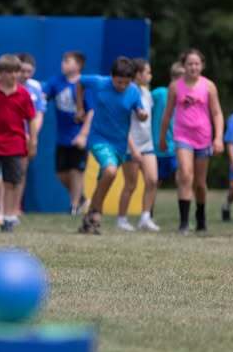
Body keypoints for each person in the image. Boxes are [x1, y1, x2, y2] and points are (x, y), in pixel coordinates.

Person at [76, 57, 145, 235]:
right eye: (119, 82)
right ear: (111, 76)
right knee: (110, 171)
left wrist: (142, 114)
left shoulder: (134, 91)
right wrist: (79, 108)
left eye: (126, 82)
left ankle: (91, 215)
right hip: (99, 138)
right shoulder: (100, 83)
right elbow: (80, 82)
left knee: (105, 178)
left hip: (120, 143)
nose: (122, 86)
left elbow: (139, 109)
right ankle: (97, 213)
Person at [159, 49, 224, 235]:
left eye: (197, 64)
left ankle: (201, 218)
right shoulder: (175, 87)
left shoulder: (209, 86)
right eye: (189, 64)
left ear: (202, 65)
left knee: (200, 183)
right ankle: (184, 223)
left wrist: (218, 137)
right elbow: (167, 114)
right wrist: (162, 138)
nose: (193, 67)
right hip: (182, 137)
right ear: (183, 66)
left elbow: (217, 113)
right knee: (186, 175)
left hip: (203, 138)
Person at [0, 54, 38, 232]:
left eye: (15, 72)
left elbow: (32, 119)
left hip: (15, 143)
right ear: (0, 73)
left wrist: (33, 141)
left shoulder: (24, 94)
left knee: (12, 182)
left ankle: (9, 218)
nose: (12, 76)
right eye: (8, 72)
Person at [43, 51, 93, 215]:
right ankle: (82, 198)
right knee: (61, 173)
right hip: (62, 136)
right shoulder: (56, 82)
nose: (63, 63)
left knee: (75, 170)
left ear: (78, 65)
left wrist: (83, 134)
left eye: (67, 61)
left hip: (78, 135)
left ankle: (74, 206)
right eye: (63, 60)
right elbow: (43, 96)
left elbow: (91, 112)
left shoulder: (84, 84)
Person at [116, 58, 160, 231]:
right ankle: (121, 219)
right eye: (147, 72)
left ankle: (145, 218)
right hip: (131, 145)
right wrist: (133, 148)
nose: (150, 75)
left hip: (147, 144)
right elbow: (122, 123)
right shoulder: (128, 93)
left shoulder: (146, 93)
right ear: (138, 74)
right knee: (131, 184)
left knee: (152, 180)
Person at [12, 52, 46, 225]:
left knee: (20, 172)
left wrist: (32, 136)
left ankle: (16, 206)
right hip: (8, 134)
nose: (25, 75)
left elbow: (39, 114)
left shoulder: (36, 87)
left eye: (29, 71)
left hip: (26, 137)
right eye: (22, 71)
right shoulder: (7, 85)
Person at [151, 62, 181, 188]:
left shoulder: (187, 99)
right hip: (157, 147)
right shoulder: (159, 93)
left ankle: (184, 205)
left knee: (183, 175)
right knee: (154, 181)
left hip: (177, 147)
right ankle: (148, 208)